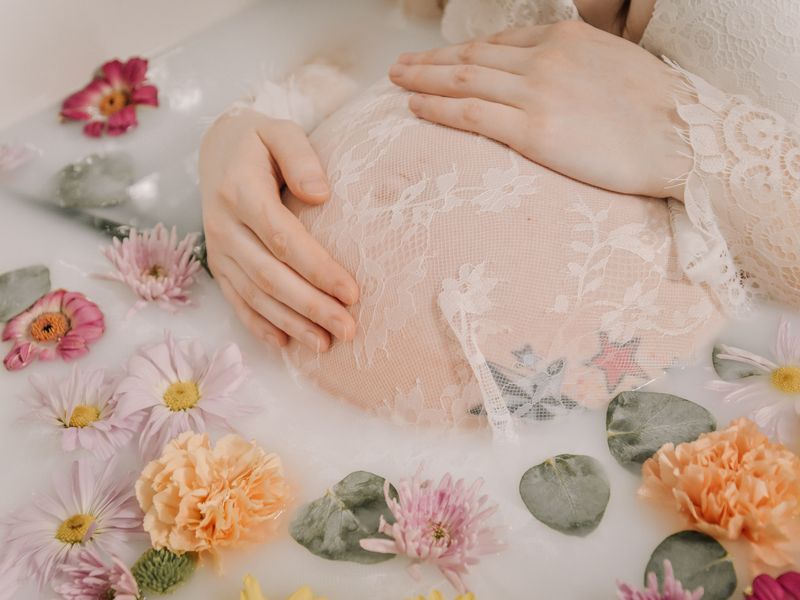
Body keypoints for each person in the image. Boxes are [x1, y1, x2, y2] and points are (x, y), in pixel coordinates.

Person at [199, 0, 800, 431]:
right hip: (246, 396)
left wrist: (691, 136)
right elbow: (388, 24)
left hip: (699, 450)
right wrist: (253, 122)